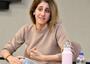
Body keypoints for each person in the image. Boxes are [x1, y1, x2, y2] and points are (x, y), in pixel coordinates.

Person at [0, 0, 80, 64]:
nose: (43, 14)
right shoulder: (26, 29)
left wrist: (43, 57)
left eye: (47, 11)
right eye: (40, 9)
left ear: (51, 15)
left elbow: (70, 55)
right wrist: (10, 58)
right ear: (34, 11)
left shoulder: (57, 28)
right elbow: (5, 50)